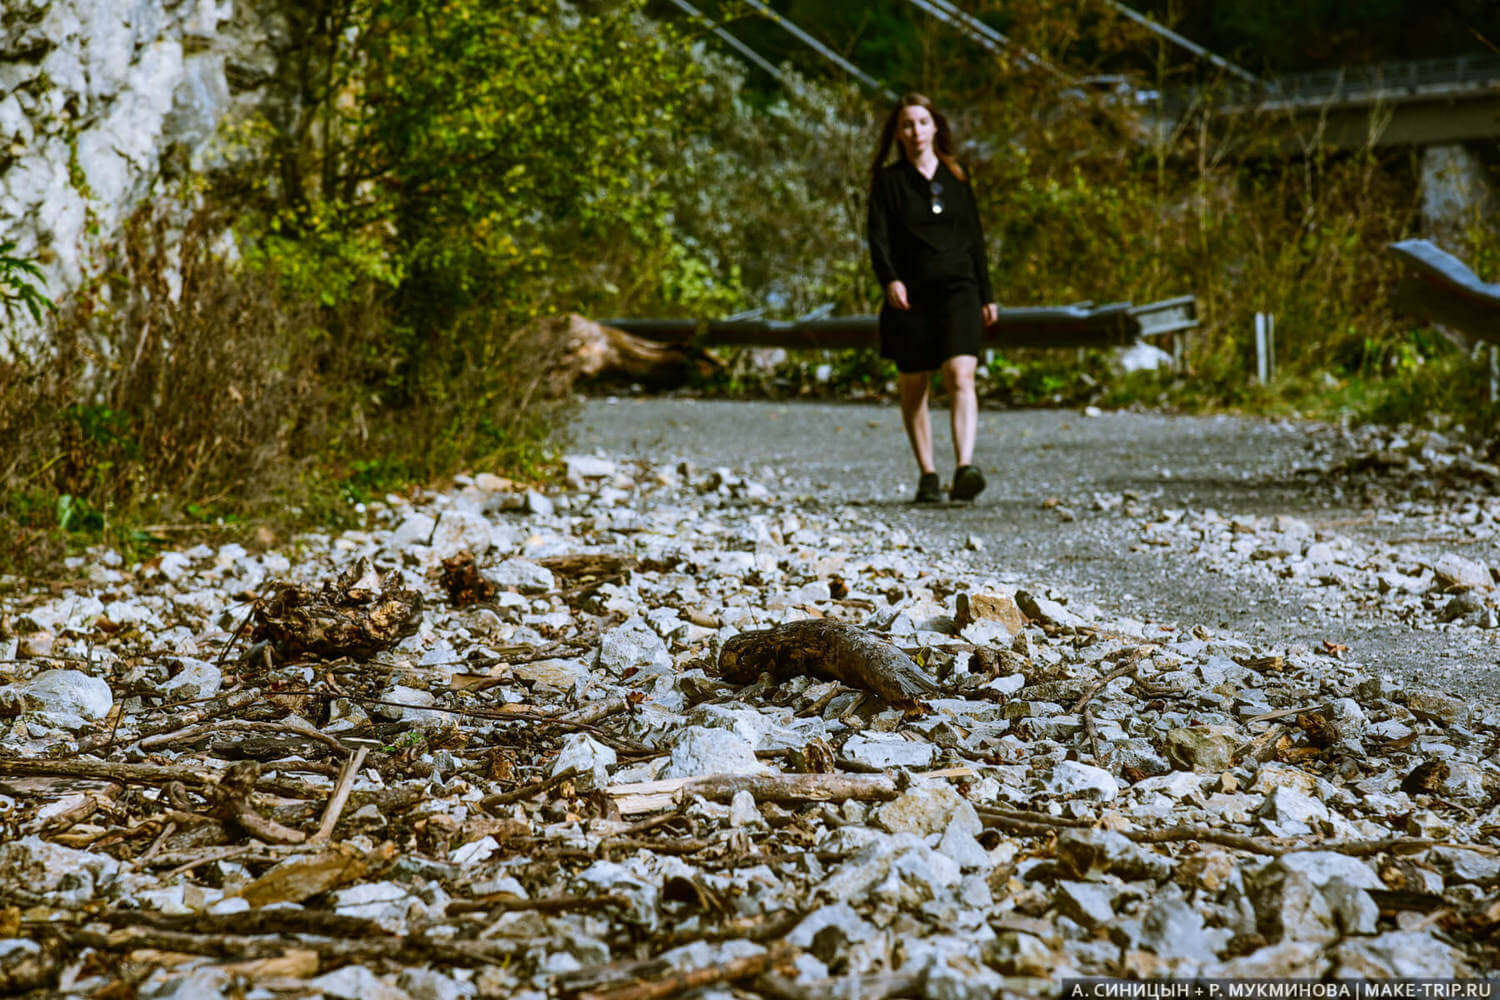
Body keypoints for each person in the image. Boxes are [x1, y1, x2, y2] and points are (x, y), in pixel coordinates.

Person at [867, 93, 997, 504]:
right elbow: (878, 237)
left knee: (961, 375)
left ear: (935, 126)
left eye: (922, 122)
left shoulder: (958, 179)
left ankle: (964, 468)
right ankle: (928, 473)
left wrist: (987, 294)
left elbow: (975, 239)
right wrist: (890, 279)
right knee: (914, 384)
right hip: (911, 293)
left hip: (960, 288)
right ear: (898, 133)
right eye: (907, 125)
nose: (915, 131)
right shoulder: (889, 182)